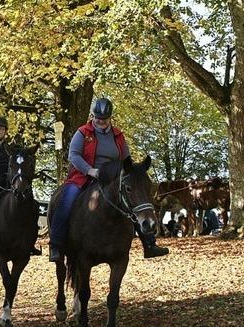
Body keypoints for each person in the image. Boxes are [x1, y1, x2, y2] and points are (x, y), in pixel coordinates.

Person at [48, 97, 169, 262]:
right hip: (84, 175)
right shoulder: (83, 132)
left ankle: (149, 244)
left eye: (104, 119)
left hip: (113, 178)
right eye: (98, 118)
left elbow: (127, 158)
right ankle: (56, 245)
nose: (101, 121)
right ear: (93, 116)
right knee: (65, 200)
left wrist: (135, 171)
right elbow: (73, 156)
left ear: (110, 117)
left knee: (136, 199)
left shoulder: (118, 135)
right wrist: (90, 170)